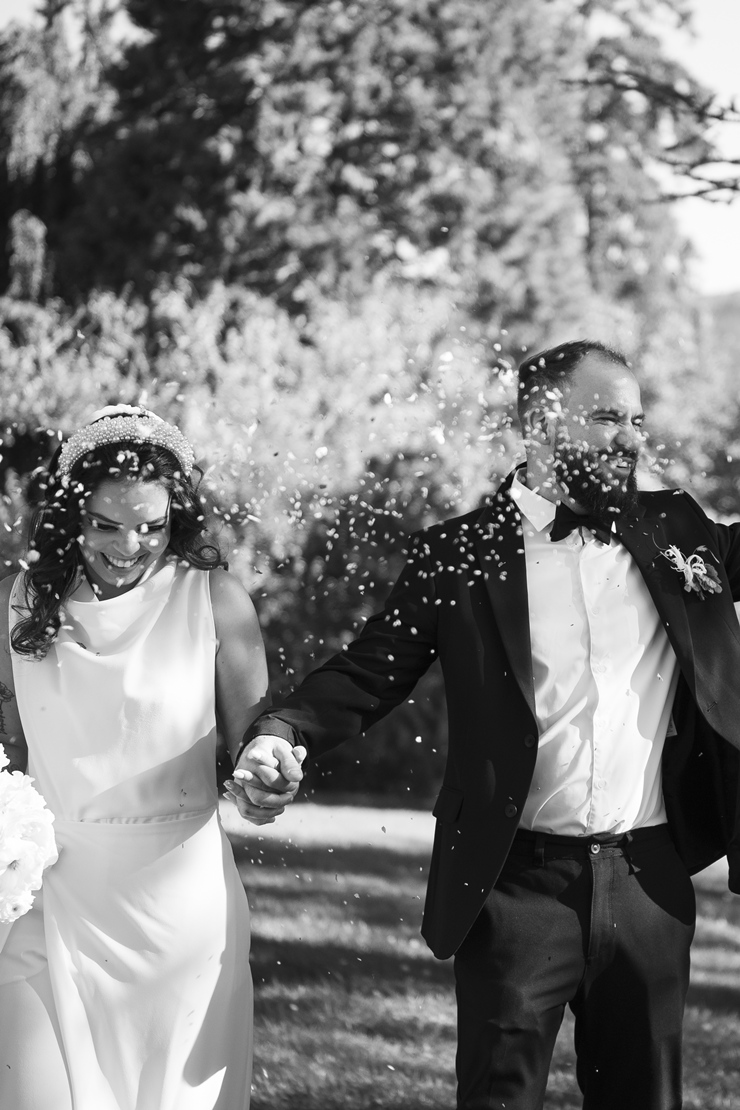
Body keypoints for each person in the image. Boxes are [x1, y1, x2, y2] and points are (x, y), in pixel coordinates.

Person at [232, 339, 740, 1110]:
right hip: (515, 885)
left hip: (650, 881)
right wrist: (281, 731)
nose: (633, 438)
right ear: (540, 424)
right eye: (607, 418)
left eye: (637, 418)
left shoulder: (677, 528)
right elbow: (371, 671)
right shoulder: (461, 554)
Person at [0, 405, 298, 1110]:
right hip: (53, 893)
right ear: (70, 515)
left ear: (177, 521)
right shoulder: (19, 603)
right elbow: (11, 744)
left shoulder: (215, 601)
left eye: (150, 526)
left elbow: (257, 742)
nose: (127, 545)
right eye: (105, 523)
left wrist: (268, 779)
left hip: (178, 913)